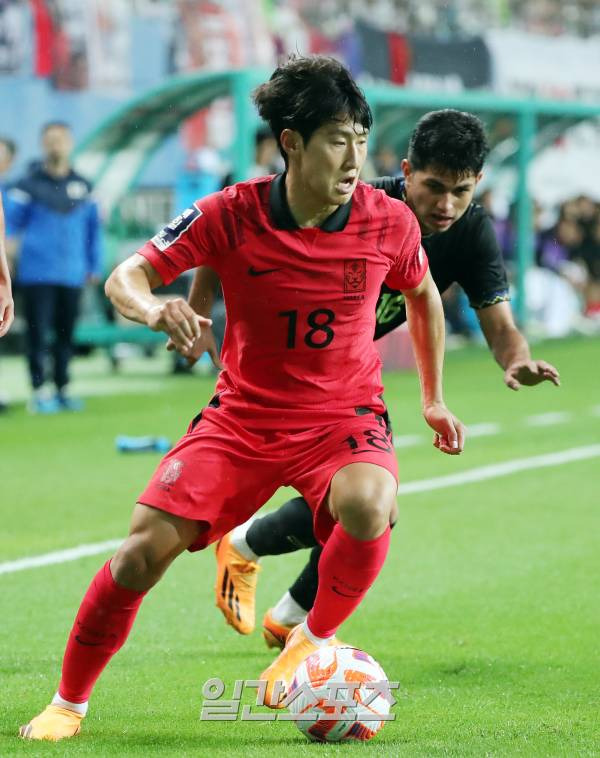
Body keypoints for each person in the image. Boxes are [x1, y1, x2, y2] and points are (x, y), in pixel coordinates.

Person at [20, 55, 465, 741]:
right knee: (140, 554)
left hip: (342, 418)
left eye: (360, 140)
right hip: (243, 419)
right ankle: (67, 703)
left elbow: (424, 296)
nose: (354, 159)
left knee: (371, 505)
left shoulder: (390, 223)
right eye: (336, 140)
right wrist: (154, 309)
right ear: (292, 142)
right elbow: (125, 277)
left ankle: (308, 644)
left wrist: (432, 398)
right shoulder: (229, 212)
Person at [183, 109, 561, 649]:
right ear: (406, 172)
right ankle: (260, 569)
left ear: (477, 184)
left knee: (372, 506)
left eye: (460, 190)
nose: (445, 205)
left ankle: (279, 599)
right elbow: (229, 225)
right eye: (433, 187)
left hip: (343, 382)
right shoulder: (352, 199)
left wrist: (516, 359)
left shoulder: (471, 231)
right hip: (274, 375)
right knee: (364, 506)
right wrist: (199, 307)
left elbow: (500, 326)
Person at [4, 122, 103, 414]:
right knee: (37, 333)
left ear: (70, 143)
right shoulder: (27, 185)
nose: (55, 145)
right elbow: (8, 226)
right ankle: (39, 391)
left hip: (72, 272)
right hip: (36, 273)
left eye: (60, 139)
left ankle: (62, 388)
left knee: (66, 334)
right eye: (50, 140)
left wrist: (93, 264)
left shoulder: (84, 186)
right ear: (42, 144)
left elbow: (93, 229)